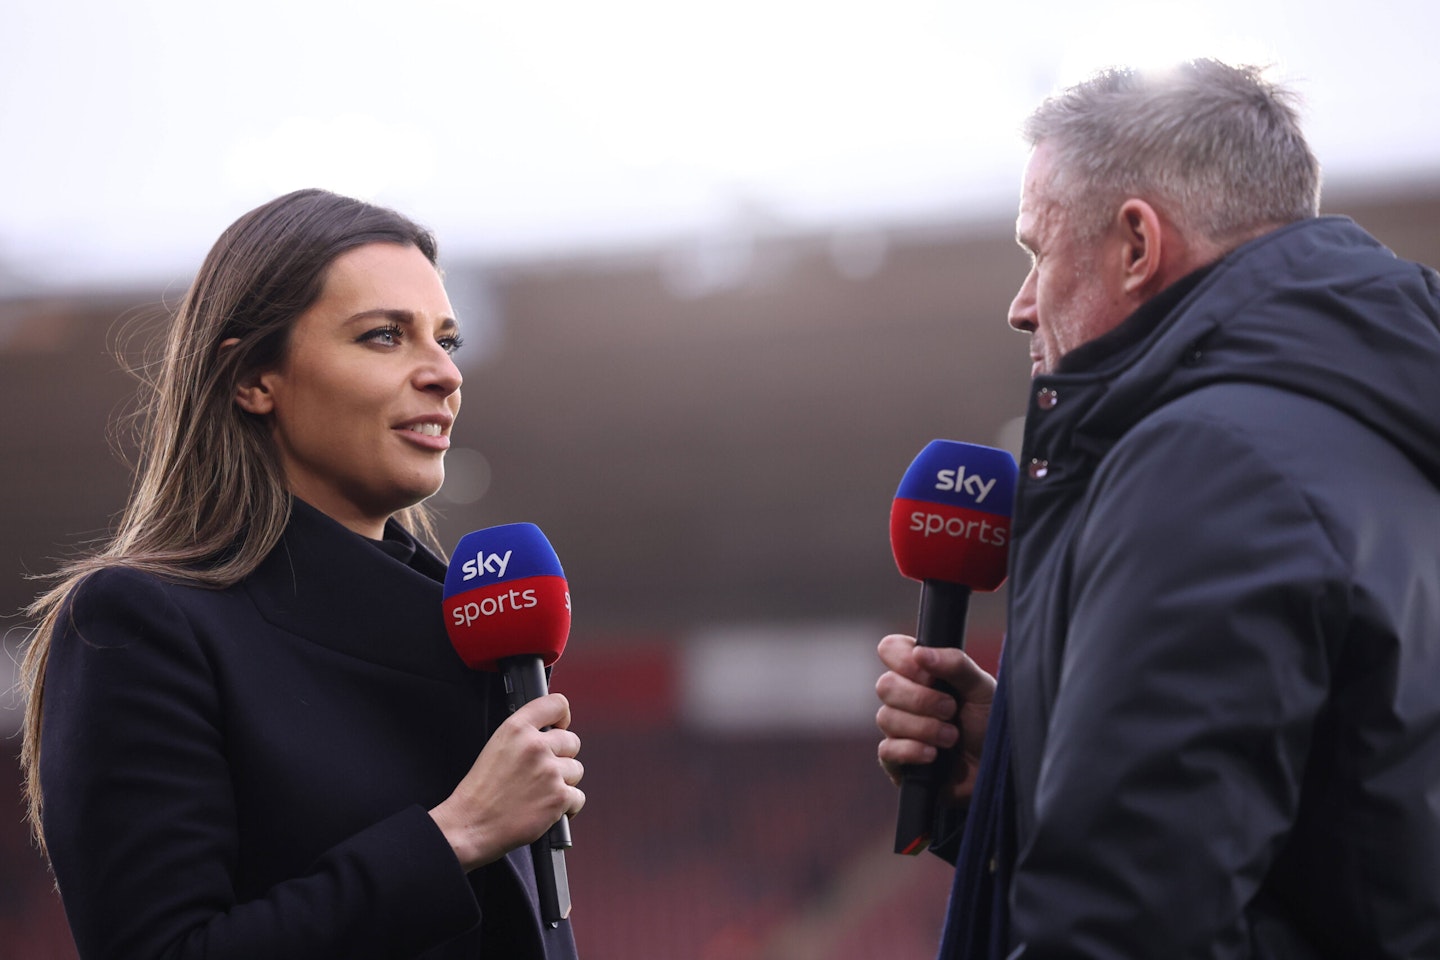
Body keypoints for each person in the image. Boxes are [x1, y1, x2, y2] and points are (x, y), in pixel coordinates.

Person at [875, 60, 1440, 958]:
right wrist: (1022, 770)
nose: (1021, 307)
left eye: (1037, 251)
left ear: (1137, 245)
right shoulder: (1378, 430)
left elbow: (1123, 929)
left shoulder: (1209, 464)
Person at [17, 188, 586, 959]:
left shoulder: (475, 630)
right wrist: (454, 837)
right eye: (385, 336)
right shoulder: (138, 623)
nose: (444, 375)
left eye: (446, 341)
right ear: (254, 377)